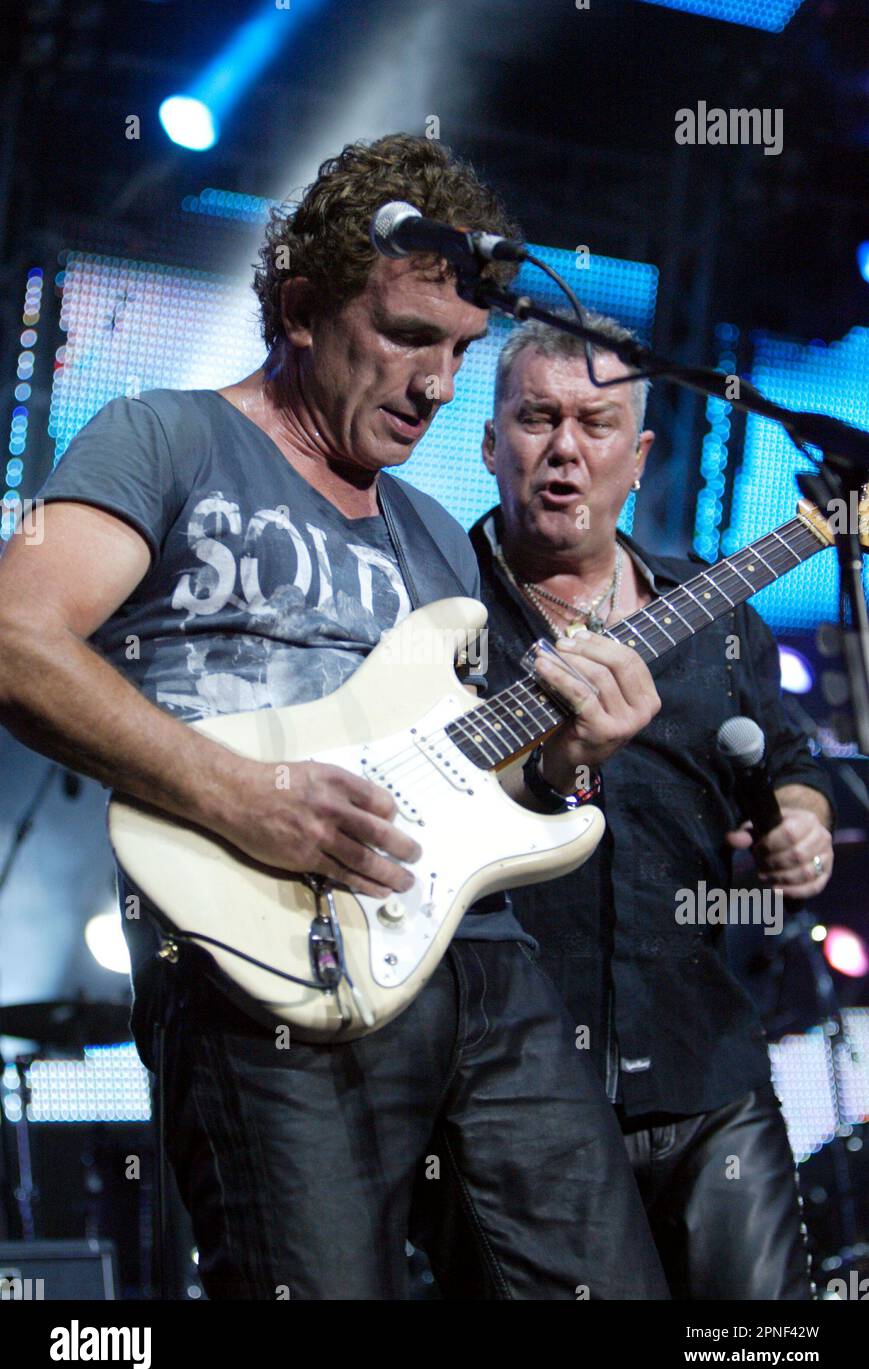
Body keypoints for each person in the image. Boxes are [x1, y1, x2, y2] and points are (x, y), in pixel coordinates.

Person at [0, 136, 669, 1300]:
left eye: (461, 349)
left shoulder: (426, 533)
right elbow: (17, 638)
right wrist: (244, 798)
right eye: (409, 336)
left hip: (478, 962)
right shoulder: (163, 435)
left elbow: (492, 779)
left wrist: (567, 765)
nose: (440, 384)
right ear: (302, 308)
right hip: (262, 957)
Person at [468, 315, 835, 1300]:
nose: (562, 448)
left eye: (594, 423)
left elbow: (789, 770)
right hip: (514, 1095)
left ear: (636, 458)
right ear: (490, 442)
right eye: (536, 418)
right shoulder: (433, 614)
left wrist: (797, 829)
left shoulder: (718, 614)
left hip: (708, 1076)